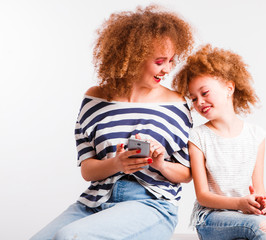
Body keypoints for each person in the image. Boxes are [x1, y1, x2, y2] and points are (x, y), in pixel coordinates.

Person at [30, 5, 194, 240]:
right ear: (134, 56)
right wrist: (118, 163)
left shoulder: (176, 105)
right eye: (160, 61)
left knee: (70, 237)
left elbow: (187, 173)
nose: (167, 69)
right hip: (95, 200)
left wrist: (161, 164)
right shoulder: (94, 98)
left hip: (151, 204)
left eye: (171, 60)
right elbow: (88, 169)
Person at [172, 45, 266, 240]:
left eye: (204, 93)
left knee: (265, 223)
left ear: (229, 88)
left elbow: (259, 188)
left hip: (244, 215)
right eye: (194, 98)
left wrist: (261, 204)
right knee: (262, 227)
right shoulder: (197, 137)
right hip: (211, 218)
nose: (199, 102)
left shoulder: (256, 135)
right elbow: (203, 195)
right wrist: (239, 203)